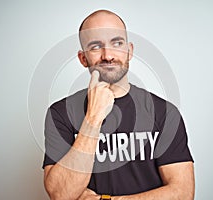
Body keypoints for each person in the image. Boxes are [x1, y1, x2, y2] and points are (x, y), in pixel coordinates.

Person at [43, 9, 195, 200]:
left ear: (129, 51)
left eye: (117, 43)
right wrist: (93, 118)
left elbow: (183, 193)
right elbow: (60, 194)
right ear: (83, 59)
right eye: (96, 46)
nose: (108, 55)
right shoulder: (60, 113)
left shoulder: (164, 112)